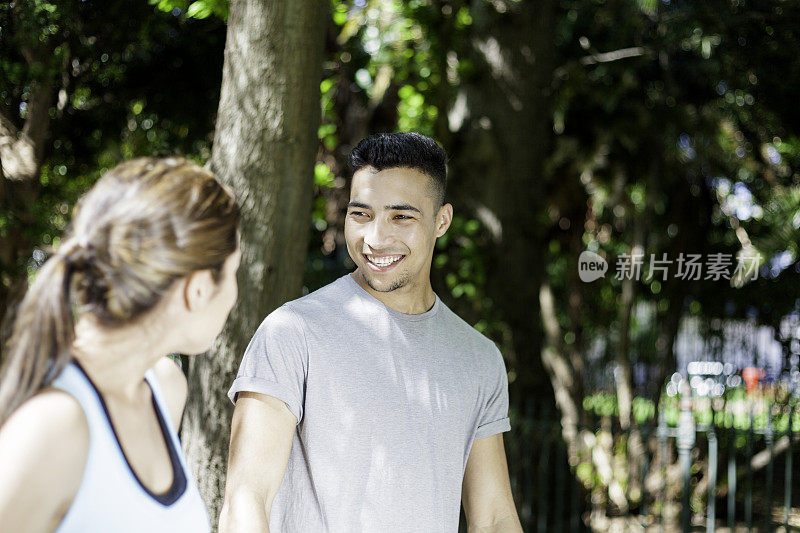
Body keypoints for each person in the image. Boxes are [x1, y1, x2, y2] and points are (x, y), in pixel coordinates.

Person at [221, 132, 522, 532]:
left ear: (441, 221)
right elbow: (246, 497)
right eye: (361, 215)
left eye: (401, 217)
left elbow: (495, 518)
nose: (376, 238)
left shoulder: (479, 359)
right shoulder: (293, 333)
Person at [0, 157, 241, 533]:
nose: (234, 295)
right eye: (234, 273)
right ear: (197, 290)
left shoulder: (165, 389)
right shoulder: (52, 426)